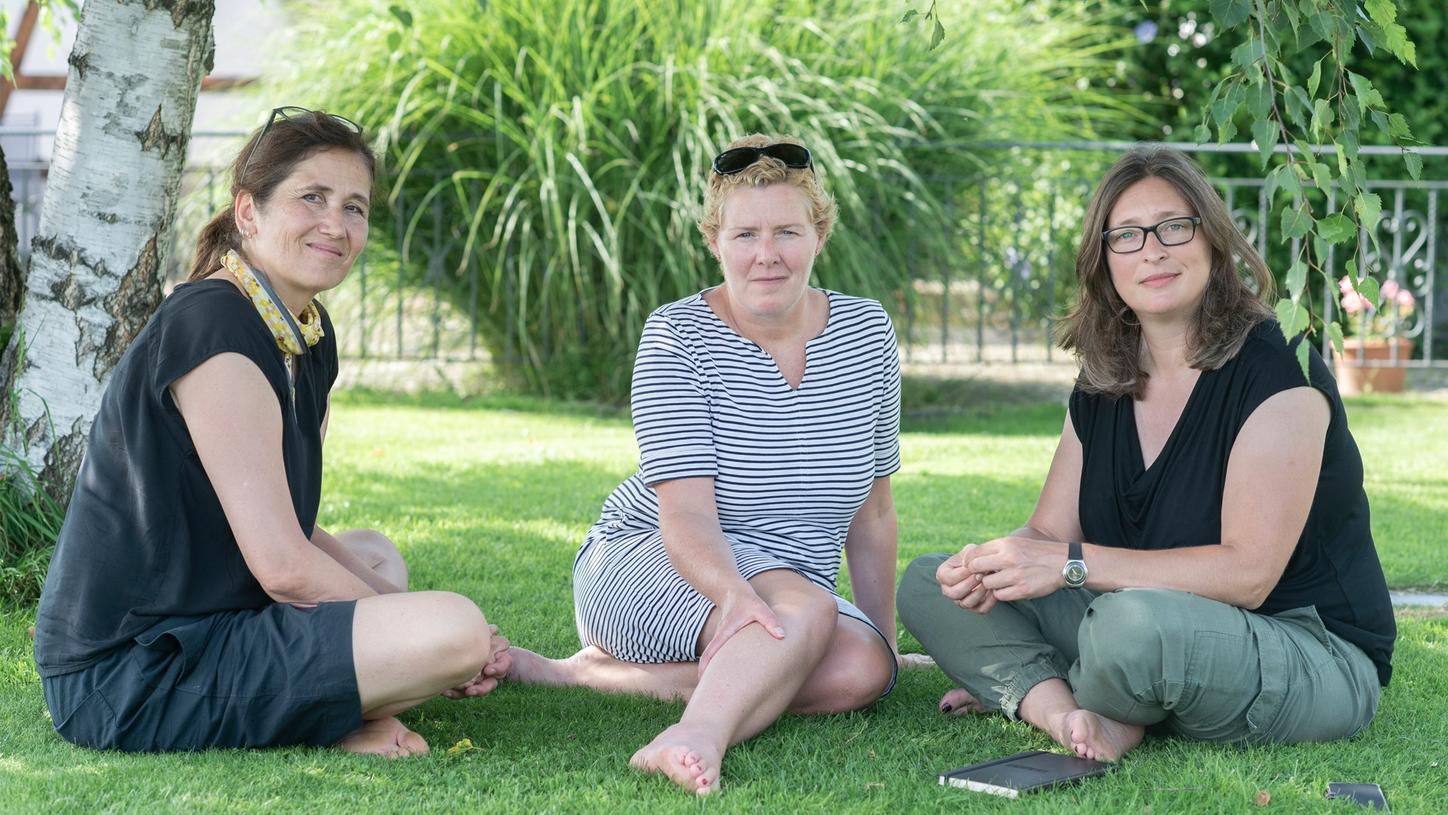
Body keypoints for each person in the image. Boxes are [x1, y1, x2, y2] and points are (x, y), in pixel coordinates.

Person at [32, 106, 510, 757]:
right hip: (133, 674)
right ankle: (341, 719)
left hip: (222, 618)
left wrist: (396, 609)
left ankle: (342, 702)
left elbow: (287, 525)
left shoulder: (306, 331)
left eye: (354, 207)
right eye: (312, 197)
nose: (335, 224)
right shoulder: (214, 325)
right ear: (249, 211)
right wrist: (430, 630)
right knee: (450, 629)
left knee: (374, 554)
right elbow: (284, 567)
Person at [897, 147, 1395, 762]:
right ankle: (1063, 710)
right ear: (1104, 263)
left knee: (1129, 631)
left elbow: (1248, 573)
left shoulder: (1278, 367)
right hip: (1137, 620)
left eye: (1174, 227)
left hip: (1305, 644)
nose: (1152, 250)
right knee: (929, 583)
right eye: (1126, 236)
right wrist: (995, 564)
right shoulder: (1104, 377)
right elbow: (1049, 532)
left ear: (1212, 240)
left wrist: (1070, 566)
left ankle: (1052, 684)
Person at [509, 135, 915, 794]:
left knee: (862, 671)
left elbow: (873, 513)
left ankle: (584, 674)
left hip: (786, 580)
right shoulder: (677, 336)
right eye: (745, 233)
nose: (766, 254)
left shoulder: (867, 334)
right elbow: (687, 513)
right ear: (714, 241)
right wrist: (736, 595)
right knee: (799, 610)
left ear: (819, 234)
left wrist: (888, 642)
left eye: (787, 230)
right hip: (654, 559)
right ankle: (696, 733)